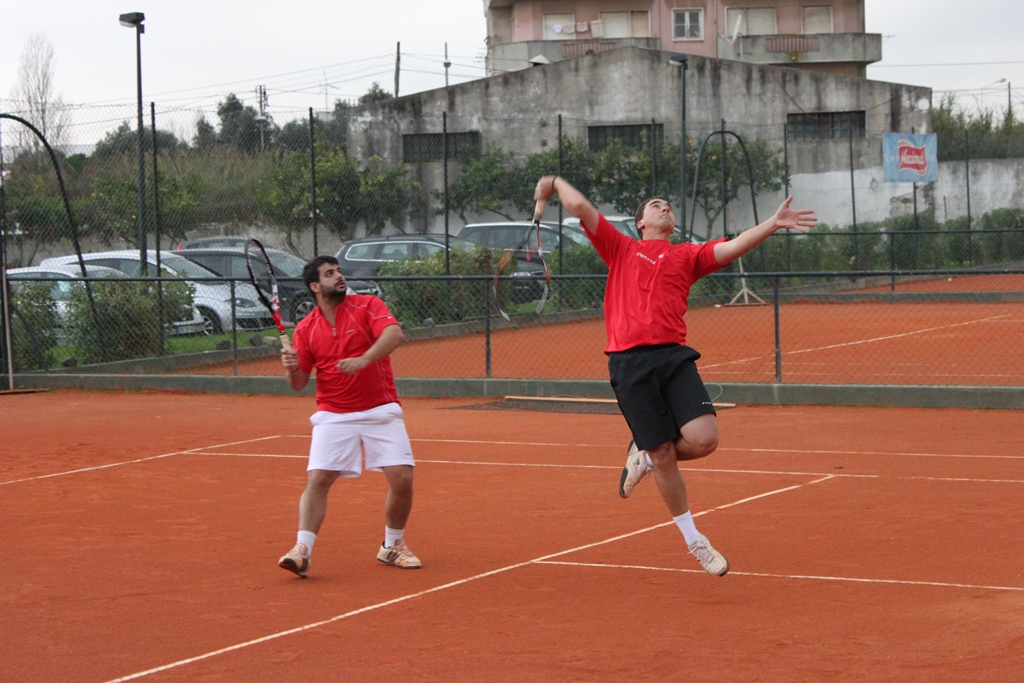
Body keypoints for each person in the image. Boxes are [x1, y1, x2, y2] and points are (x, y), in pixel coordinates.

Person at [534, 175, 816, 576]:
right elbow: (579, 207)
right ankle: (694, 540)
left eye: (667, 204)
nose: (665, 207)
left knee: (705, 439)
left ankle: (646, 452)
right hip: (629, 364)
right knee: (666, 455)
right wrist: (554, 182)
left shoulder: (687, 256)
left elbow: (733, 246)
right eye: (655, 205)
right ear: (641, 223)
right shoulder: (621, 248)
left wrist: (772, 223)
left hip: (673, 357)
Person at [277, 255, 420, 578]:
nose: (339, 276)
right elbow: (298, 383)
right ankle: (301, 550)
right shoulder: (305, 328)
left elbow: (394, 335)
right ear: (315, 286)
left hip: (380, 408)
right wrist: (290, 368)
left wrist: (364, 359)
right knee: (318, 479)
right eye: (330, 273)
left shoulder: (367, 306)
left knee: (402, 477)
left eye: (339, 271)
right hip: (333, 412)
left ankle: (392, 545)